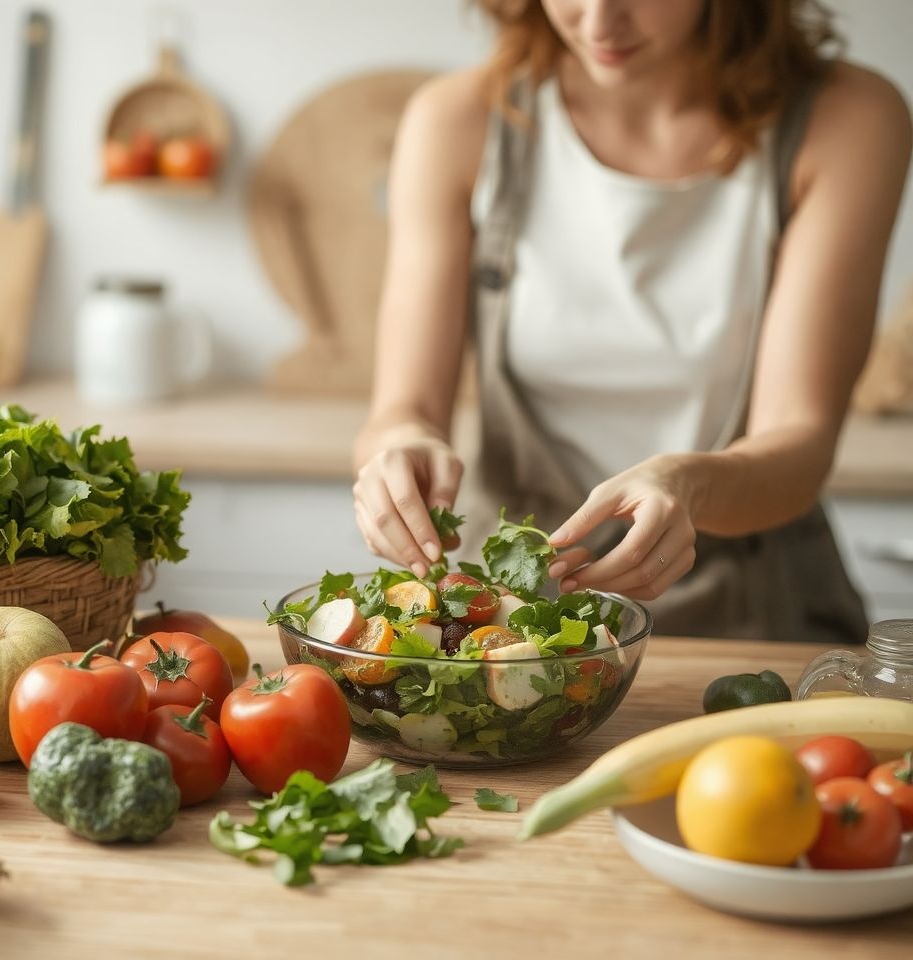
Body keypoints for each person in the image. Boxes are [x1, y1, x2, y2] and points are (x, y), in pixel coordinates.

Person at [352, 0, 912, 643]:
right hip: (506, 620)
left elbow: (800, 443)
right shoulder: (455, 121)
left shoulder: (850, 119)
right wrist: (398, 451)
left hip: (749, 615)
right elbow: (403, 409)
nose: (598, 23)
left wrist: (686, 486)